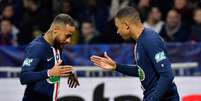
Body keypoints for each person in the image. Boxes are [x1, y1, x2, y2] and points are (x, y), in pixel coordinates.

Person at [90, 7, 179, 101]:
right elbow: (143, 72)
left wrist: (152, 99)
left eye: (118, 27)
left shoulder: (150, 40)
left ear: (126, 25)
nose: (117, 32)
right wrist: (117, 67)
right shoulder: (141, 41)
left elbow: (167, 75)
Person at [20, 14, 80, 101]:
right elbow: (24, 77)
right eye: (67, 36)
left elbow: (53, 62)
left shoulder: (57, 44)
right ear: (55, 29)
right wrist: (49, 73)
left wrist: (68, 71)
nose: (69, 41)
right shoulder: (37, 47)